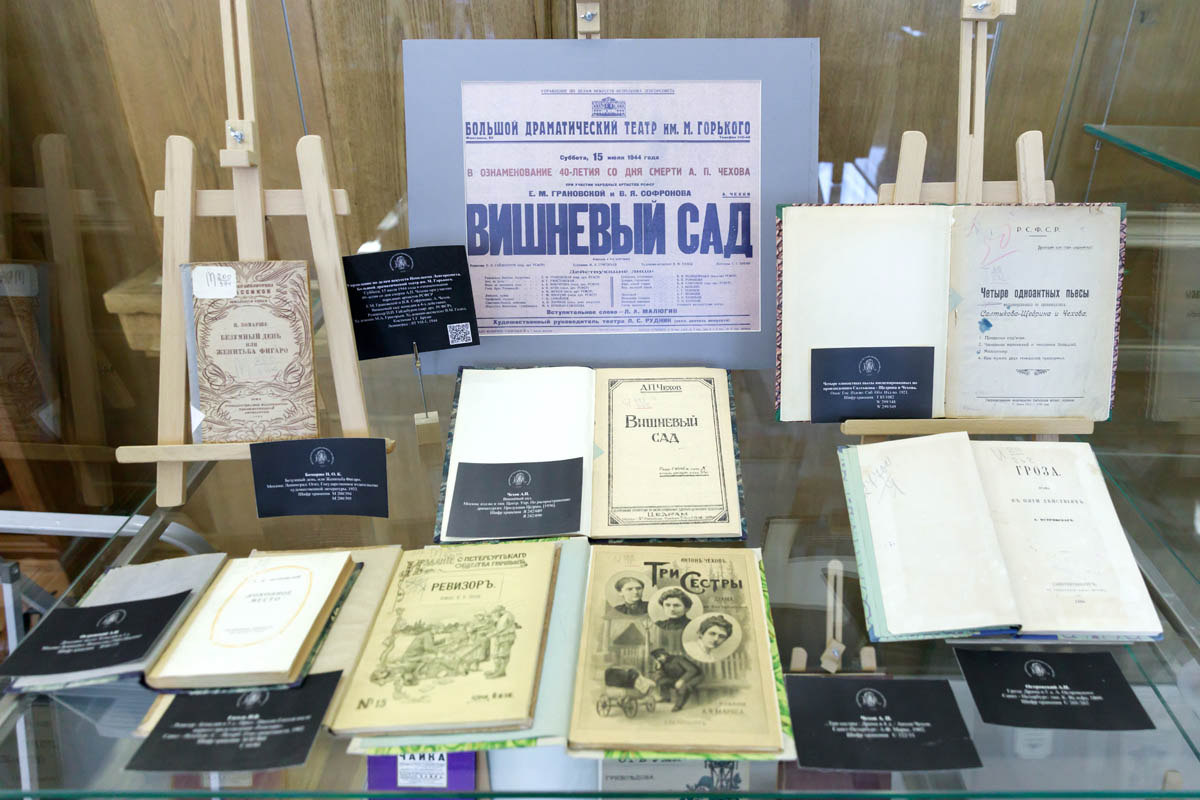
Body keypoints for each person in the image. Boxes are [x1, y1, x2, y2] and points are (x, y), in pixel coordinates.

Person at [486, 605, 519, 679]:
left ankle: (501, 672)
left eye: (495, 612)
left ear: (500, 611)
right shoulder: (502, 617)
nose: (495, 614)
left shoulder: (506, 616)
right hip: (501, 638)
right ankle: (497, 670)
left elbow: (500, 629)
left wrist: (490, 635)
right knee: (496, 655)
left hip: (506, 638)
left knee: (503, 655)